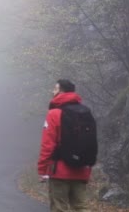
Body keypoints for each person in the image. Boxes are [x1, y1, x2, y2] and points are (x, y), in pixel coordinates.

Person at [37, 79, 96, 212]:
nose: (52, 91)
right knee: (81, 207)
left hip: (59, 171)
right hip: (82, 169)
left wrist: (42, 169)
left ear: (61, 91)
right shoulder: (86, 112)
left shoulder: (54, 113)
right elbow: (91, 143)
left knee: (59, 207)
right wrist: (88, 167)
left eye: (55, 88)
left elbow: (47, 145)